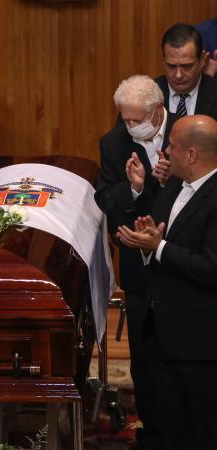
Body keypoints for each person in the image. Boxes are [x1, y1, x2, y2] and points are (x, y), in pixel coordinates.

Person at [116, 114, 217, 450]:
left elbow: (211, 268)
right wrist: (149, 242)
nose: (165, 152)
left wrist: (158, 247)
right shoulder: (174, 186)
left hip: (201, 345)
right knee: (170, 426)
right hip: (165, 334)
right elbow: (162, 240)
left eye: (171, 146)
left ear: (192, 154)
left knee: (202, 430)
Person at [95, 74, 175, 450]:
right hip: (138, 264)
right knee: (143, 357)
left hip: (183, 261)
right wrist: (136, 187)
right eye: (124, 119)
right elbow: (105, 199)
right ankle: (153, 431)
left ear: (158, 111)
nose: (129, 126)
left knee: (182, 352)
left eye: (135, 120)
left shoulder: (187, 133)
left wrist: (172, 178)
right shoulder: (113, 143)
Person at [155, 23, 217, 119]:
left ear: (203, 60)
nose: (178, 75)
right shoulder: (147, 94)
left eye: (186, 66)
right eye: (171, 66)